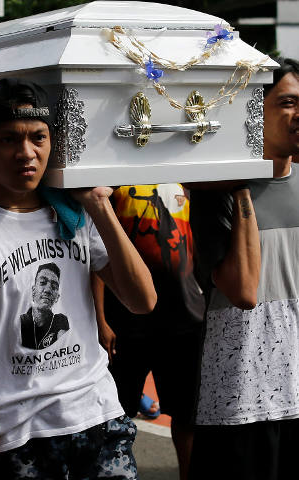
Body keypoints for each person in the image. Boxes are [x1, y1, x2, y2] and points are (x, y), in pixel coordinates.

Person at [0, 78, 156, 480]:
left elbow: (142, 300)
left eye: (38, 138)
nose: (27, 153)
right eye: (8, 140)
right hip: (15, 439)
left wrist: (99, 206)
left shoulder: (74, 213)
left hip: (99, 417)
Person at [187, 57, 299, 480]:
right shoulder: (218, 194)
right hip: (243, 393)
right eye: (287, 102)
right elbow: (244, 291)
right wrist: (242, 184)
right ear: (253, 110)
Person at [93, 183, 204, 480]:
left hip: (184, 319)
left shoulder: (189, 176)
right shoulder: (115, 181)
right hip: (125, 324)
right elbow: (99, 253)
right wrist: (100, 319)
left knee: (187, 416)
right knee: (113, 417)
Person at [20, 263, 70, 350]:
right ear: (33, 290)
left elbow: (64, 347)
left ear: (57, 297)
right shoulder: (20, 322)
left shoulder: (60, 321)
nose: (48, 290)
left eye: (54, 287)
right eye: (43, 283)